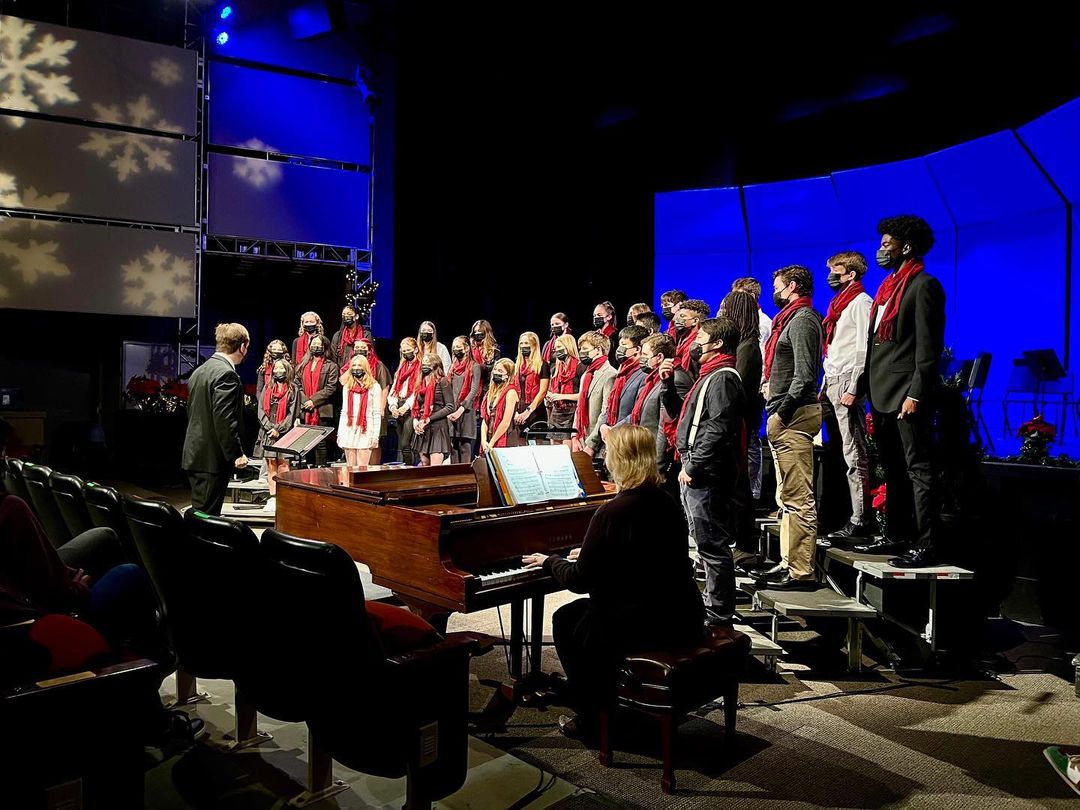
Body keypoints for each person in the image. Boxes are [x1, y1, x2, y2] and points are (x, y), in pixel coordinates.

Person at [522, 424, 704, 740]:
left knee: (566, 619)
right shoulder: (666, 501)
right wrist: (591, 553)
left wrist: (550, 561)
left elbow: (579, 580)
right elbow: (641, 555)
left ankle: (592, 713)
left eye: (609, 454)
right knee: (581, 616)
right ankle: (600, 694)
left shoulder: (612, 511)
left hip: (643, 622)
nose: (605, 459)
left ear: (619, 460)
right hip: (681, 613)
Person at [854, 215, 945, 567]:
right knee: (891, 469)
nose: (880, 250)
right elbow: (876, 345)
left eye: (885, 244)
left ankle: (927, 543)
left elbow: (928, 348)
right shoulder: (888, 287)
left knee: (918, 469)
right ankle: (896, 534)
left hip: (906, 394)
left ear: (905, 247)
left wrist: (916, 394)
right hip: (881, 393)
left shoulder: (923, 285)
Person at [755, 266, 823, 591]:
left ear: (792, 286)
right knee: (786, 496)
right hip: (783, 413)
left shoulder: (803, 319)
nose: (775, 292)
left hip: (794, 416)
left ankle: (801, 571)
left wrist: (781, 413)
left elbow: (806, 375)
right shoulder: (789, 319)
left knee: (798, 497)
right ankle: (788, 562)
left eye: (777, 286)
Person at [674, 317, 746, 624]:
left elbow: (718, 427)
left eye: (700, 339)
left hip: (708, 472)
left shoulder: (724, 377)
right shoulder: (709, 375)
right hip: (696, 468)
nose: (694, 344)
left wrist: (694, 464)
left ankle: (719, 611)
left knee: (712, 543)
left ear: (717, 344)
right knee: (702, 541)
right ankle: (711, 604)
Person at [818, 251, 875, 544]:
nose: (830, 277)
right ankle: (836, 511)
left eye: (835, 272)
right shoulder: (839, 303)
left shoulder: (861, 302)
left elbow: (863, 349)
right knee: (834, 451)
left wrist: (854, 387)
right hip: (832, 380)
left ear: (851, 274)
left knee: (854, 451)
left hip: (847, 382)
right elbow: (836, 348)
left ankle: (860, 519)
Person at [182, 323, 250, 515]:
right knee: (205, 520)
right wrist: (235, 454)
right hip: (211, 460)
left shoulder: (200, 370)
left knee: (202, 516)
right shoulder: (226, 374)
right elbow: (224, 419)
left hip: (196, 454)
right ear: (242, 346)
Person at [718, 291, 764, 569]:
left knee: (739, 484)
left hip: (739, 423)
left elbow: (740, 388)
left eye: (726, 308)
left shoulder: (748, 347)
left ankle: (745, 545)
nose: (722, 312)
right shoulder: (741, 345)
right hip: (735, 422)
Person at [731, 278, 772, 502]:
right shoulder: (740, 324)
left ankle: (753, 490)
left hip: (753, 387)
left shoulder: (761, 324)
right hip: (746, 383)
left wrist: (761, 384)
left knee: (751, 438)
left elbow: (763, 359)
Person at [252, 357, 299, 509]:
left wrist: (279, 429)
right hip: (268, 431)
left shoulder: (293, 389)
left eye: (281, 368)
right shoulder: (267, 388)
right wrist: (269, 427)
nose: (278, 371)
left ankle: (284, 497)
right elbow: (260, 411)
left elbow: (292, 414)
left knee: (284, 465)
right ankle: (273, 497)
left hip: (284, 433)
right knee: (271, 464)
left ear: (287, 371)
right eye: (276, 368)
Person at [593, 325, 648, 452]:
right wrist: (603, 425)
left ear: (637, 349)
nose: (619, 349)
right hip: (612, 439)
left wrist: (614, 430)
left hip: (629, 441)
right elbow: (610, 403)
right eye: (619, 345)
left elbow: (637, 411)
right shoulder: (621, 372)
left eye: (624, 345)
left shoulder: (644, 375)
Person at [627, 333, 675, 461]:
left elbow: (665, 426)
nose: (641, 359)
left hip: (653, 456)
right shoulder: (650, 380)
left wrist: (658, 462)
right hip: (642, 451)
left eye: (645, 355)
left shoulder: (671, 381)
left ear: (659, 357)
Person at [297, 333, 340, 466]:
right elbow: (296, 384)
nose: (316, 346)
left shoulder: (331, 366)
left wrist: (313, 401)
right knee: (307, 441)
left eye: (319, 344)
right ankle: (309, 467)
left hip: (322, 409)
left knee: (320, 442)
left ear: (324, 347)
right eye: (313, 344)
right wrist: (305, 401)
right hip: (305, 408)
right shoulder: (303, 364)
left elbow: (331, 388)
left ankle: (320, 468)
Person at [574, 332, 616, 457]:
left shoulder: (610, 374)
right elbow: (579, 407)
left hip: (598, 444)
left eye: (585, 349)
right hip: (582, 438)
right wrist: (574, 436)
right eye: (581, 349)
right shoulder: (586, 375)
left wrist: (591, 445)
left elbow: (605, 412)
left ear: (598, 350)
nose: (581, 352)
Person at [338, 355, 383, 468]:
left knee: (362, 468)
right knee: (350, 467)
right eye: (353, 365)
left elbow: (376, 413)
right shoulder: (347, 386)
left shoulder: (374, 387)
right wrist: (340, 433)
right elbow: (344, 411)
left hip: (365, 429)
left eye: (359, 365)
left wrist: (375, 436)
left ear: (365, 367)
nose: (356, 368)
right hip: (349, 428)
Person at [351, 337, 391, 464]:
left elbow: (385, 388)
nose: (359, 350)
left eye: (363, 348)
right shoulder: (352, 366)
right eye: (357, 348)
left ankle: (373, 467)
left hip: (375, 409)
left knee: (375, 440)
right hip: (357, 410)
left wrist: (381, 408)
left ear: (369, 350)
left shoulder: (378, 365)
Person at [412, 355, 455, 467]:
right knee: (424, 463)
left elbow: (450, 407)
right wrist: (416, 420)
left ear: (435, 365)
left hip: (438, 428)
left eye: (428, 362)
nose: (424, 365)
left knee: (435, 466)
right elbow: (417, 406)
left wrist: (429, 418)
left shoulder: (442, 381)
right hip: (424, 428)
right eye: (423, 363)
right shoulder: (420, 382)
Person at [447, 336, 482, 463]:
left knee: (464, 447)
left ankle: (466, 475)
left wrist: (460, 410)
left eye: (458, 347)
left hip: (466, 411)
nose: (455, 350)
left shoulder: (474, 366)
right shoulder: (452, 367)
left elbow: (473, 391)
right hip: (452, 411)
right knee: (453, 447)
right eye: (454, 347)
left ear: (466, 348)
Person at [388, 338, 421, 466]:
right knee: (402, 445)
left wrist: (406, 406)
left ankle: (411, 469)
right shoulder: (401, 368)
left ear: (416, 350)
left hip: (412, 407)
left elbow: (417, 390)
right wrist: (393, 406)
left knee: (405, 443)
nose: (406, 353)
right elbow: (394, 389)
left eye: (409, 350)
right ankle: (408, 468)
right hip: (399, 405)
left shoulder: (420, 367)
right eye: (404, 351)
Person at [513, 331, 551, 437]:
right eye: (521, 343)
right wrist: (515, 412)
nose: (523, 346)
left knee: (536, 444)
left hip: (535, 411)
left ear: (534, 345)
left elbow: (543, 391)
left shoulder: (543, 365)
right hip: (518, 411)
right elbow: (513, 389)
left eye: (526, 343)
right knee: (520, 444)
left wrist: (528, 412)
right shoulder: (517, 366)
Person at [480, 358, 520, 452]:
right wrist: (484, 441)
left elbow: (505, 422)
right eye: (495, 369)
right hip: (489, 438)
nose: (496, 372)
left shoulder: (511, 392)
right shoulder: (490, 393)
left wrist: (491, 443)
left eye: (500, 371)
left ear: (508, 375)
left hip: (505, 440)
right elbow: (485, 419)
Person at [545, 334, 582, 434]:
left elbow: (584, 395)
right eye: (555, 348)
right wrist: (549, 395)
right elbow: (549, 390)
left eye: (559, 347)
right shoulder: (556, 368)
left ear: (568, 346)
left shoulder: (580, 367)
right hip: (557, 411)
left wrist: (561, 396)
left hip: (573, 411)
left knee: (567, 443)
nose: (557, 351)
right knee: (554, 442)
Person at [731, 277, 772, 357]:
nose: (734, 301)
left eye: (738, 296)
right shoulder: (736, 321)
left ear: (752, 296)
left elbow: (762, 357)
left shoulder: (763, 324)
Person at [673, 299, 711, 378]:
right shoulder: (683, 337)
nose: (677, 319)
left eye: (682, 316)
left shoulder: (699, 344)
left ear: (695, 321)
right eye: (678, 316)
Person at [254, 339, 289, 405]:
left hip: (285, 402)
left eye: (279, 350)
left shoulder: (289, 368)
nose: (276, 352)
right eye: (274, 349)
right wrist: (262, 403)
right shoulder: (263, 368)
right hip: (267, 402)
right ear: (270, 351)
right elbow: (259, 390)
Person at [469, 319, 501, 386]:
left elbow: (495, 366)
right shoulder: (471, 349)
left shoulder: (495, 348)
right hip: (473, 381)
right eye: (475, 331)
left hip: (489, 382)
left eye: (480, 331)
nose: (477, 334)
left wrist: (482, 367)